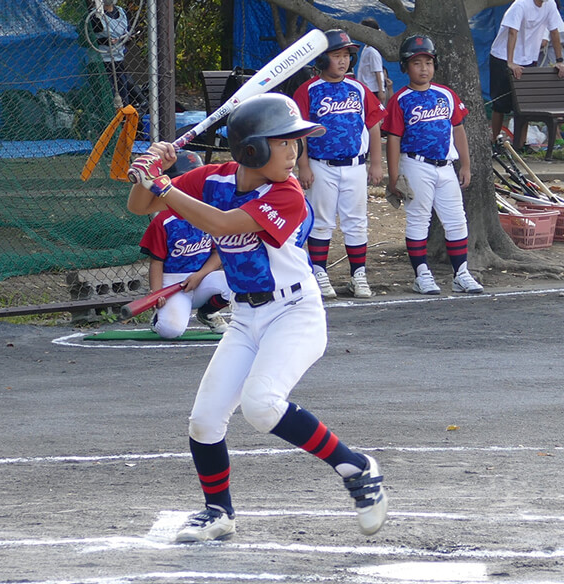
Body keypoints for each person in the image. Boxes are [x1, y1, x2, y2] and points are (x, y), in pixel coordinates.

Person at [126, 92, 388, 543]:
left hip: (294, 313)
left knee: (262, 404)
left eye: (295, 143)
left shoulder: (288, 195)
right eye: (285, 143)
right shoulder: (211, 178)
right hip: (246, 317)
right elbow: (139, 206)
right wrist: (149, 172)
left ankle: (357, 467)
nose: (295, 153)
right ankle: (218, 513)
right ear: (253, 150)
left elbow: (224, 225)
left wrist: (165, 185)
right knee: (205, 421)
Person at [381, 35, 484, 295]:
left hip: (446, 166)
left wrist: (466, 165)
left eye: (428, 62)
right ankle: (421, 274)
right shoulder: (401, 99)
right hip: (415, 164)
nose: (424, 68)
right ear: (405, 67)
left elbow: (458, 130)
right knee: (419, 220)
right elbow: (393, 139)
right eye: (417, 63)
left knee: (457, 221)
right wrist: (393, 177)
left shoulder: (446, 94)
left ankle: (461, 273)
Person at [293, 29, 386, 299]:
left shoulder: (358, 88)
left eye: (347, 55)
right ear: (322, 60)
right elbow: (300, 132)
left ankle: (358, 274)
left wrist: (376, 163)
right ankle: (319, 272)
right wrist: (304, 165)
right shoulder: (308, 90)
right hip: (321, 165)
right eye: (336, 56)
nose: (343, 61)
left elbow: (374, 123)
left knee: (356, 221)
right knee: (321, 222)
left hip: (356, 165)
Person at [139, 151, 232, 337]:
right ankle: (159, 317)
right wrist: (158, 293)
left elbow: (218, 252)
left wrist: (200, 275)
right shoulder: (164, 221)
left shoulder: (211, 213)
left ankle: (207, 313)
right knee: (170, 331)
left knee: (234, 281)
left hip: (202, 278)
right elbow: (156, 262)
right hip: (173, 283)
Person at [489, 0, 564, 143]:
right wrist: (510, 62)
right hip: (502, 56)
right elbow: (512, 32)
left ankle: (520, 144)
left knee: (523, 105)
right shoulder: (520, 5)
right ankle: (494, 141)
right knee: (500, 104)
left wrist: (560, 61)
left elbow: (554, 31)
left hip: (529, 59)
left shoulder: (550, 5)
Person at [89, 0, 147, 111]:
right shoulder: (94, 16)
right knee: (106, 97)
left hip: (118, 61)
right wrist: (103, 41)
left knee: (123, 96)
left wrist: (127, 38)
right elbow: (84, 40)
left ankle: (123, 122)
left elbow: (127, 33)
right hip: (100, 62)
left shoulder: (122, 12)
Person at [356, 18, 394, 106]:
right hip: (366, 87)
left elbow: (378, 71)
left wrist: (381, 91)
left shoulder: (373, 51)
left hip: (373, 90)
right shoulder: (366, 48)